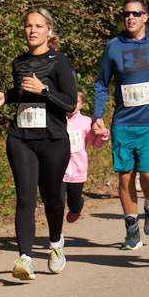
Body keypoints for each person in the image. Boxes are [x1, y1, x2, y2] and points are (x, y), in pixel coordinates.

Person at [0, 8, 79, 280]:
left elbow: (70, 103)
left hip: (53, 139)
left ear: (48, 30)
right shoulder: (19, 62)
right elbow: (21, 92)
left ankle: (55, 243)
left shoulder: (59, 62)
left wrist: (45, 91)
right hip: (21, 138)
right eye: (28, 26)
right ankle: (25, 259)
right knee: (25, 198)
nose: (32, 30)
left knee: (52, 198)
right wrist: (6, 97)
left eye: (38, 26)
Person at [92, 0, 149, 250]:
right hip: (124, 121)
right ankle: (132, 231)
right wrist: (98, 115)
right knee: (125, 177)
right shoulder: (113, 46)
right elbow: (101, 83)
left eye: (136, 13)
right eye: (126, 14)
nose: (130, 17)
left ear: (145, 17)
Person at [64, 90, 109, 224]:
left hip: (78, 170)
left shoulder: (86, 122)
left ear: (82, 104)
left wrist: (103, 134)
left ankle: (77, 208)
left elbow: (96, 143)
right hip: (59, 169)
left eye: (76, 101)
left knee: (73, 203)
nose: (72, 104)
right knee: (56, 202)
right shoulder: (56, 120)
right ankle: (56, 230)